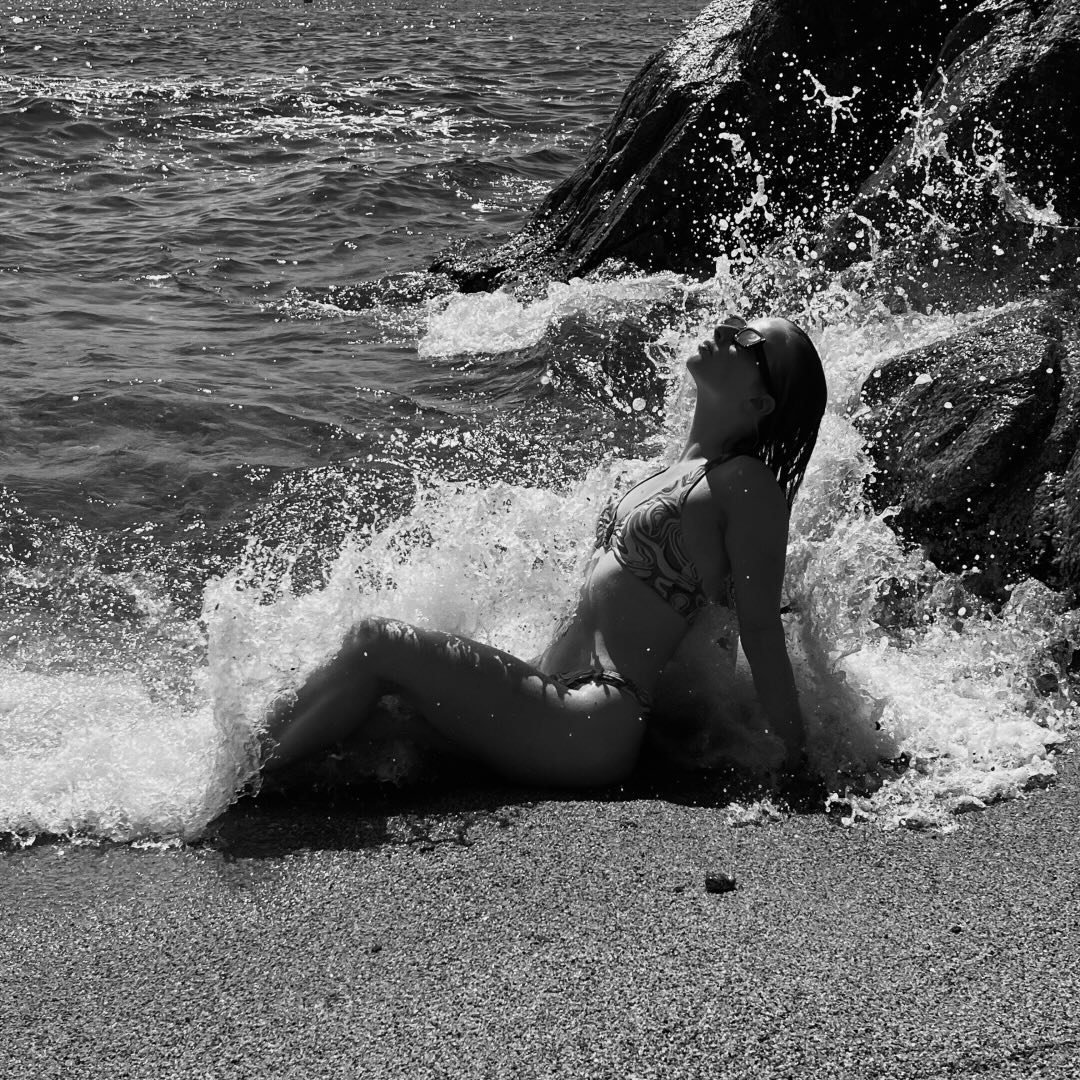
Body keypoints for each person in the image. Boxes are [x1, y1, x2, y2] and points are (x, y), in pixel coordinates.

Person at [264, 315, 828, 787]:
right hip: (555, 694)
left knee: (376, 643)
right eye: (732, 323)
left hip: (590, 719)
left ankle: (236, 785)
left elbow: (759, 631)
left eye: (748, 340)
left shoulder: (745, 484)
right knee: (368, 721)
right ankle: (253, 767)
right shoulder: (675, 472)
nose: (726, 332)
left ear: (761, 402)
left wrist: (797, 764)